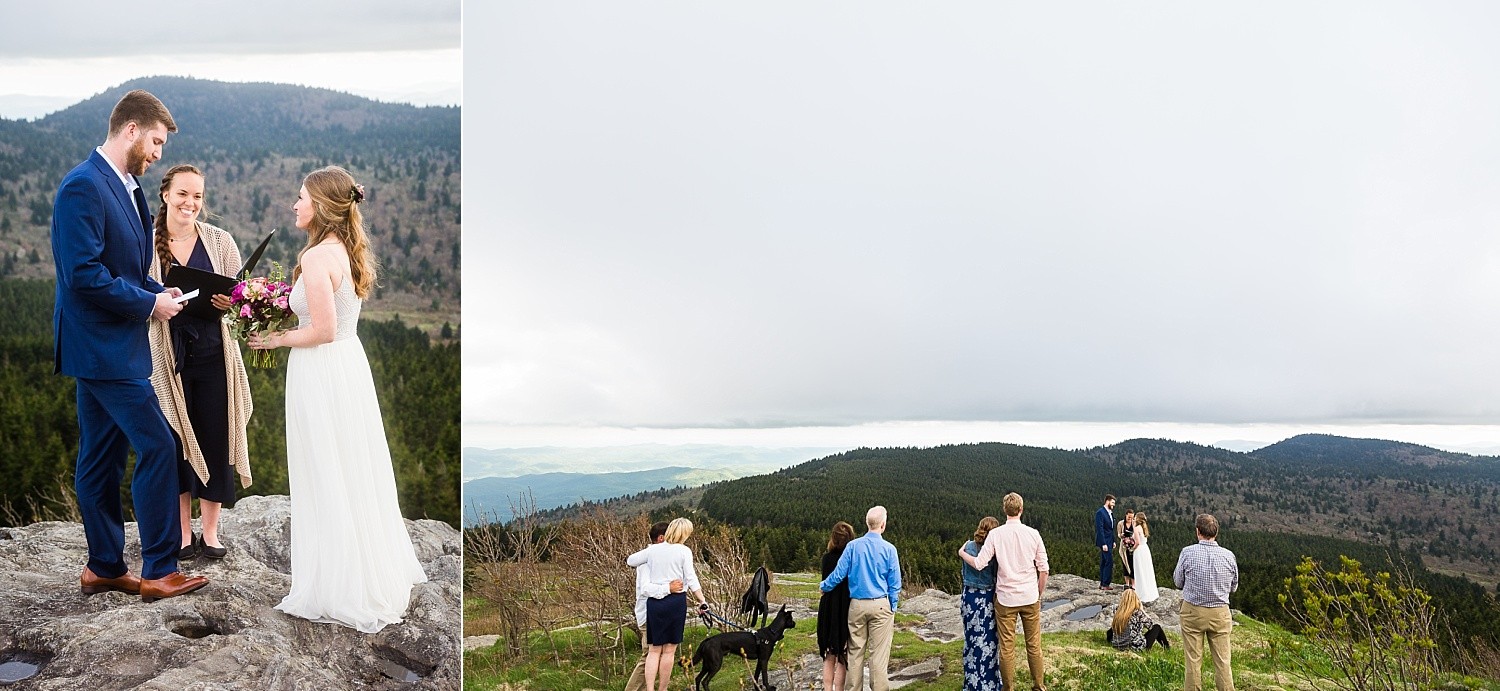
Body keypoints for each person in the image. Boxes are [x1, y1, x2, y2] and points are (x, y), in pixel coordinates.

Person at [249, 166, 427, 632]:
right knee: (350, 465)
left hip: (321, 370)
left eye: (301, 197)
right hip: (348, 367)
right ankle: (359, 570)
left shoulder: (314, 259)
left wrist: (277, 339)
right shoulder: (344, 251)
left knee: (323, 467)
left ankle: (336, 584)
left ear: (322, 208)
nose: (294, 204)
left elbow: (322, 330)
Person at [51, 89, 208, 602]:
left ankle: (103, 566)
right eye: (157, 141)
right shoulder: (83, 186)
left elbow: (125, 270)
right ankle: (160, 569)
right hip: (102, 347)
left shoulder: (129, 187)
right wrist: (147, 307)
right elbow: (83, 275)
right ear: (132, 130)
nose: (159, 153)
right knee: (161, 446)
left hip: (111, 345)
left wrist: (153, 291)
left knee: (101, 457)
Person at [146, 164, 253, 561]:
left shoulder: (220, 242)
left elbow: (240, 299)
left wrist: (232, 301)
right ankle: (181, 535)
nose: (190, 203)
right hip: (167, 356)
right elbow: (136, 295)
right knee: (175, 441)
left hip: (214, 353)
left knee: (216, 436)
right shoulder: (146, 241)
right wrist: (157, 306)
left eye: (198, 196)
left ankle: (210, 533)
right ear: (165, 195)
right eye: (183, 194)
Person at [960, 492, 1049, 691]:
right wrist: (1038, 592)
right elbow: (1044, 569)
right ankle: (1039, 685)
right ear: (1021, 509)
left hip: (1006, 599)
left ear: (1004, 510)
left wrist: (962, 553)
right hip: (1029, 596)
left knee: (1007, 648)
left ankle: (1008, 688)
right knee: (1034, 645)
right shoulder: (1033, 533)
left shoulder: (995, 534)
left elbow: (980, 563)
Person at [821, 506, 901, 691]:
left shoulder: (853, 546)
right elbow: (895, 582)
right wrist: (893, 606)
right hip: (881, 604)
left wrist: (824, 586)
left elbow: (838, 574)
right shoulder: (889, 549)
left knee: (855, 653)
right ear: (883, 524)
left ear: (867, 523)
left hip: (856, 605)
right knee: (878, 655)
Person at [625, 517, 710, 691]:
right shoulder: (684, 551)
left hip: (654, 604)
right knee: (669, 651)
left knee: (654, 650)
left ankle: (649, 689)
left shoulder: (653, 551)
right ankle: (662, 689)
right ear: (684, 533)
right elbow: (691, 578)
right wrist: (702, 600)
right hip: (675, 602)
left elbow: (630, 561)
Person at [1173, 513, 1239, 691]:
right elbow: (1233, 587)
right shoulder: (1229, 555)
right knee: (1223, 661)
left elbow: (1178, 582)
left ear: (1198, 532)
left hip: (1193, 612)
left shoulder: (1187, 552)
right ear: (1216, 532)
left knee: (1193, 661)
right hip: (1220, 613)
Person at [624, 522, 682, 691]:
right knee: (649, 654)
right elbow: (646, 589)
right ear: (662, 538)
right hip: (649, 613)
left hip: (658, 613)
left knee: (654, 654)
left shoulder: (661, 557)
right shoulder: (647, 560)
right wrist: (668, 589)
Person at [959, 516, 1001, 691]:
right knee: (989, 641)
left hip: (969, 596)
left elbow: (963, 571)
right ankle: (989, 682)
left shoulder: (967, 546)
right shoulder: (994, 550)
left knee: (971, 640)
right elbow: (997, 574)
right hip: (987, 599)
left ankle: (972, 682)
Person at [818, 520, 856, 691]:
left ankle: (827, 689)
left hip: (828, 607)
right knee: (842, 655)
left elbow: (826, 582)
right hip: (845, 607)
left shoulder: (826, 559)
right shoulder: (852, 559)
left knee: (829, 654)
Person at [1107, 588, 1170, 652]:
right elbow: (1150, 625)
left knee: (1116, 626)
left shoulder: (1116, 609)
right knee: (1157, 627)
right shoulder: (1137, 612)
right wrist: (1142, 610)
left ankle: (1115, 641)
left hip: (1117, 644)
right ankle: (1167, 647)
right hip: (1134, 646)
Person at [1132, 512, 1159, 604]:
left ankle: (1141, 593)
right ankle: (1150, 591)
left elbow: (1137, 542)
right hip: (1145, 550)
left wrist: (1132, 549)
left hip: (1139, 550)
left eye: (1135, 517)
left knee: (1140, 571)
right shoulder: (1144, 528)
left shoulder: (1136, 528)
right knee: (1147, 570)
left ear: (1138, 519)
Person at [1095, 494, 1116, 590]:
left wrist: (1114, 540)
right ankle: (1105, 584)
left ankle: (1102, 583)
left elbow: (1111, 529)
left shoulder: (1110, 513)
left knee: (1104, 561)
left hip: (1110, 541)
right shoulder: (1100, 512)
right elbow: (1100, 529)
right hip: (1104, 542)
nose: (1113, 505)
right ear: (1107, 501)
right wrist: (1103, 543)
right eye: (1112, 502)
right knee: (1109, 561)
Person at [1117, 509, 1136, 588]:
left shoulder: (1134, 523)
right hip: (1124, 547)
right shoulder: (1121, 523)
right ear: (1126, 515)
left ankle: (1133, 584)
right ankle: (1127, 583)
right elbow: (1118, 534)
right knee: (1125, 564)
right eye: (1129, 517)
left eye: (1132, 518)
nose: (1130, 519)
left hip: (1133, 547)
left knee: (1132, 565)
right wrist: (1121, 535)